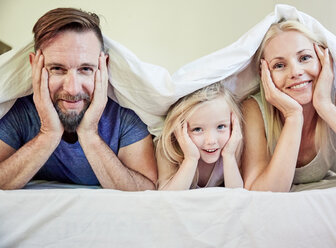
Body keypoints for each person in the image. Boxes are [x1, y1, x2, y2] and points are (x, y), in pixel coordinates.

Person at [0, 8, 157, 190]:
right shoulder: (19, 109)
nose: (72, 89)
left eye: (85, 69)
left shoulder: (125, 113)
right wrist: (48, 134)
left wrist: (89, 134)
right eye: (57, 68)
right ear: (35, 65)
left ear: (103, 66)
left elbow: (147, 190)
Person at [241, 20, 336, 192]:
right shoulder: (254, 109)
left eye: (304, 58)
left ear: (322, 60)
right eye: (279, 65)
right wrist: (293, 117)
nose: (296, 72)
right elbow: (262, 192)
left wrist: (325, 106)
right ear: (264, 74)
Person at [156, 83, 243, 190]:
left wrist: (229, 156)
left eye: (221, 126)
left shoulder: (233, 146)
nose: (211, 140)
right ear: (178, 129)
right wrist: (190, 159)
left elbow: (237, 195)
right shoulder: (168, 148)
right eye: (197, 129)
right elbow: (167, 198)